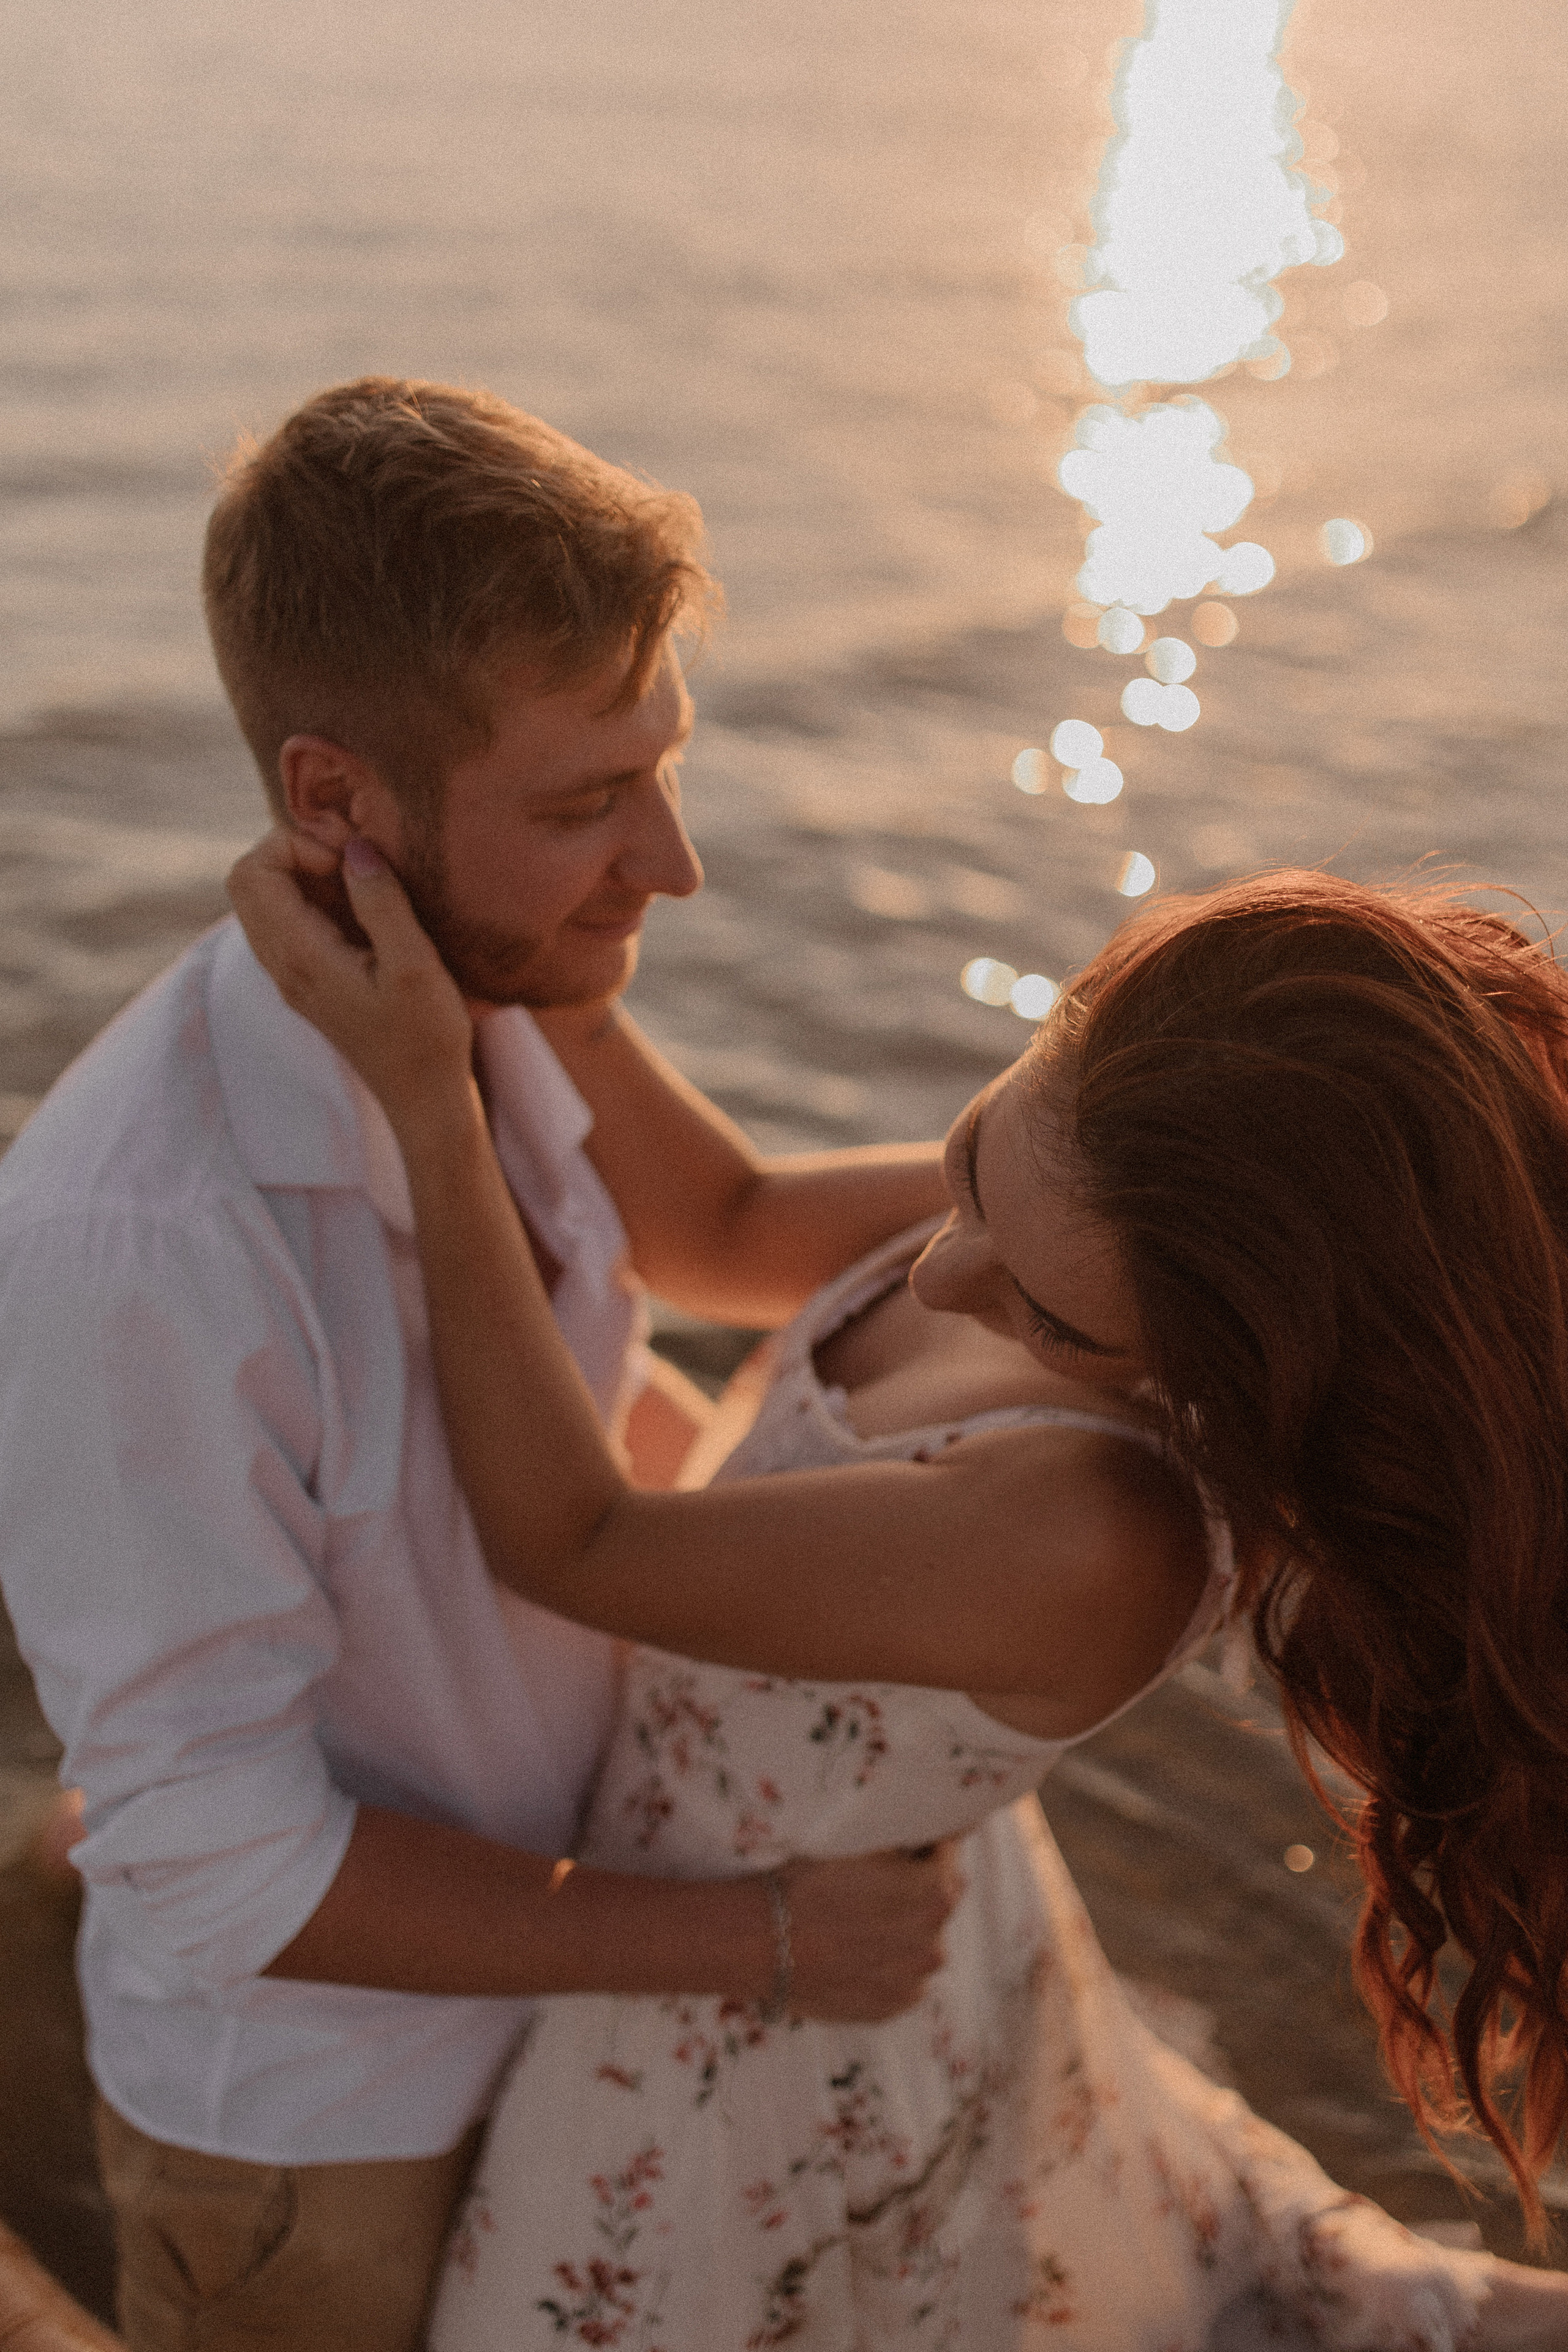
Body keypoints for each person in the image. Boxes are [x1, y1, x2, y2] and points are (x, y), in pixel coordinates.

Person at [228, 831, 1568, 2346]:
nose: (942, 1274)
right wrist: (512, 945)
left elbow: (573, 1543)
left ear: (1230, 1362)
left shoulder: (1089, 1531)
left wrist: (428, 1107)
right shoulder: (1075, 1183)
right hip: (891, 1917)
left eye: (1051, 1318)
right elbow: (718, 1224)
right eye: (969, 1159)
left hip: (761, 2014)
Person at [0, 377, 967, 2352]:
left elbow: (739, 1226)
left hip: (570, 1998)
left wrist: (1109, 1176)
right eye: (582, 801)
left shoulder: (494, 979)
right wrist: (755, 1944)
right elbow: (219, 1859)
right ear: (335, 799)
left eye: (663, 764)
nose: (672, 864)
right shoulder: (143, 1245)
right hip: (323, 2137)